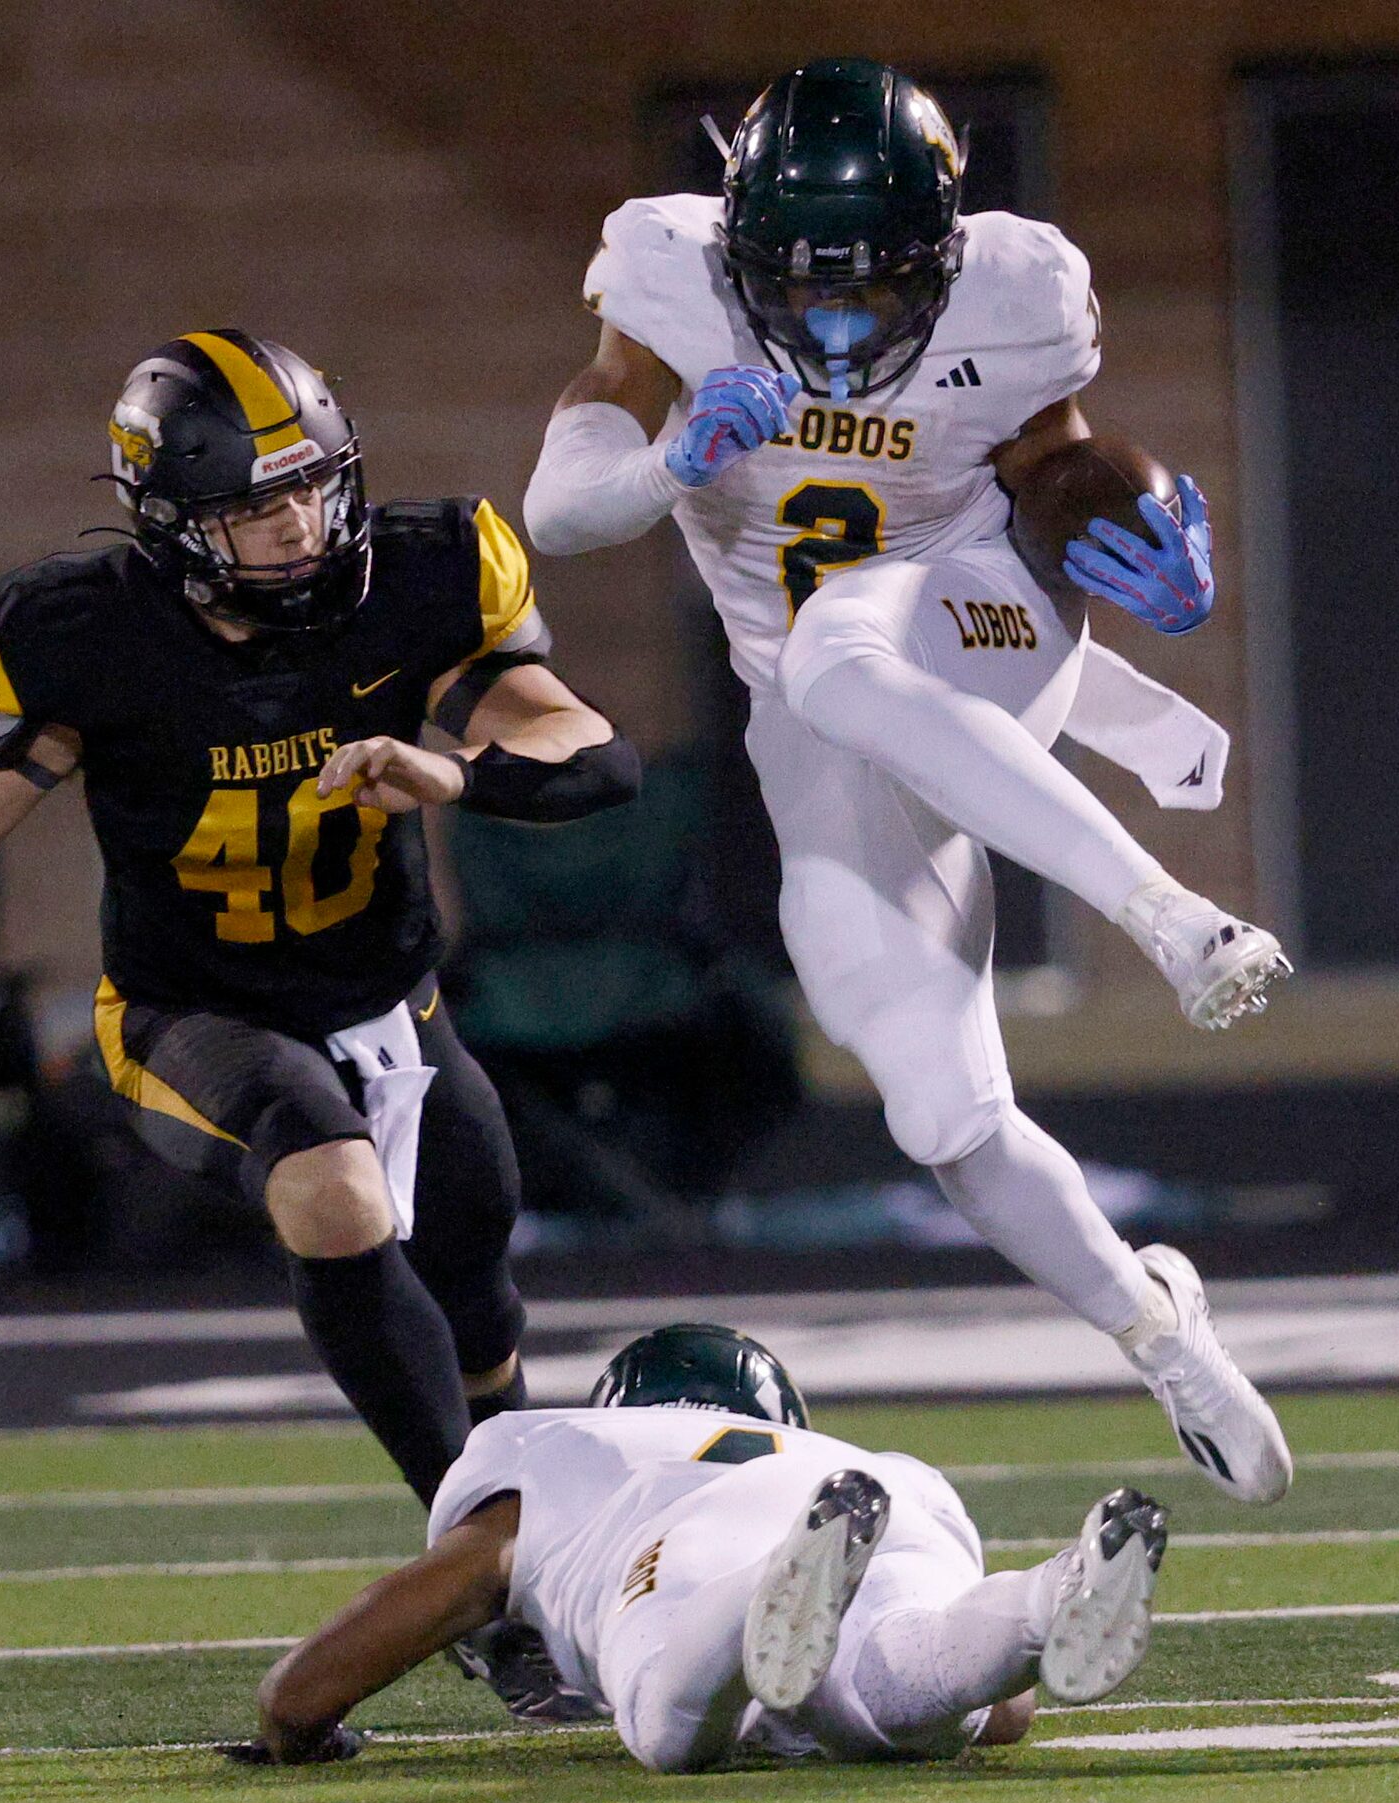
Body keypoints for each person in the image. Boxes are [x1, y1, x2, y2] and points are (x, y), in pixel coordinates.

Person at [0, 330, 641, 1719]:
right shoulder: (81, 633)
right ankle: (490, 1581)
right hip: (189, 1012)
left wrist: (449, 767)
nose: (296, 528)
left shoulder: (420, 573)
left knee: (477, 1291)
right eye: (250, 509)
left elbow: (588, 750)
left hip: (392, 1003)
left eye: (310, 490)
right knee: (330, 1190)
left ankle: (531, 1540)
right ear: (167, 525)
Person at [519, 60, 1290, 1505]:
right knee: (939, 1113)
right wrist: (669, 456)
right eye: (794, 287)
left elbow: (1054, 467)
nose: (827, 322)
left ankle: (1176, 919)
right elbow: (556, 513)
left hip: (975, 604)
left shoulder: (1020, 291)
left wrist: (1142, 529)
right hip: (814, 710)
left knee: (839, 649)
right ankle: (1156, 1329)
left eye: (871, 291)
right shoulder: (665, 271)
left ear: (943, 257)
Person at [224, 1324, 1169, 1772]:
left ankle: (761, 1590)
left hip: (685, 1536)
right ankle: (1044, 1604)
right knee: (909, 1689)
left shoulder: (565, 1449)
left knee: (669, 1726)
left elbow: (325, 1677)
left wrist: (296, 1725)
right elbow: (1004, 1719)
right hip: (872, 1512)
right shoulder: (874, 1463)